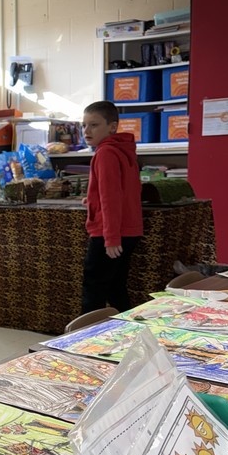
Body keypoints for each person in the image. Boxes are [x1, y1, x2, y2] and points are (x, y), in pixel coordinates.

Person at [81, 100, 143, 313]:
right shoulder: (123, 149)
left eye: (94, 125)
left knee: (94, 289)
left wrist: (111, 237)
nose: (86, 131)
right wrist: (91, 199)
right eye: (84, 125)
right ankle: (128, 334)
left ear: (112, 127)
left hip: (109, 233)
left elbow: (111, 198)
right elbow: (122, 191)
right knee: (116, 288)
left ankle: (84, 340)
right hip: (128, 230)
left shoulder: (105, 152)